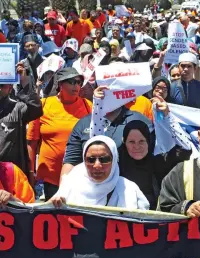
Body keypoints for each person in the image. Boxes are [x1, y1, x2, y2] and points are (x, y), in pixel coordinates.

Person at [27, 68, 92, 200]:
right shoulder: (44, 105)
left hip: (80, 175)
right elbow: (31, 141)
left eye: (79, 82)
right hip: (50, 177)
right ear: (60, 84)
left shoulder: (88, 106)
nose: (76, 86)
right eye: (72, 81)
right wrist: (30, 171)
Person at [61, 86, 153, 179]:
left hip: (130, 189)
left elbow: (160, 152)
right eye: (105, 90)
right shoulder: (84, 123)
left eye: (114, 90)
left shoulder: (139, 120)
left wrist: (164, 119)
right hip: (94, 189)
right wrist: (63, 191)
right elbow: (70, 163)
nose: (110, 94)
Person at [118, 107, 192, 209]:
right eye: (131, 142)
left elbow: (186, 148)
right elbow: (95, 145)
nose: (137, 146)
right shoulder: (115, 163)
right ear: (124, 142)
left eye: (141, 141)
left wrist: (167, 116)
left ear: (148, 141)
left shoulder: (159, 163)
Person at [50, 136, 149, 209]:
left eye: (104, 159)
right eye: (91, 160)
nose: (97, 165)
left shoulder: (129, 189)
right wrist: (54, 205)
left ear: (114, 160)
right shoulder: (71, 184)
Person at [0, 62, 42, 180]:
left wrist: (25, 80)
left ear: (9, 87)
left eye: (2, 84)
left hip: (12, 175)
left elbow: (36, 109)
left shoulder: (17, 108)